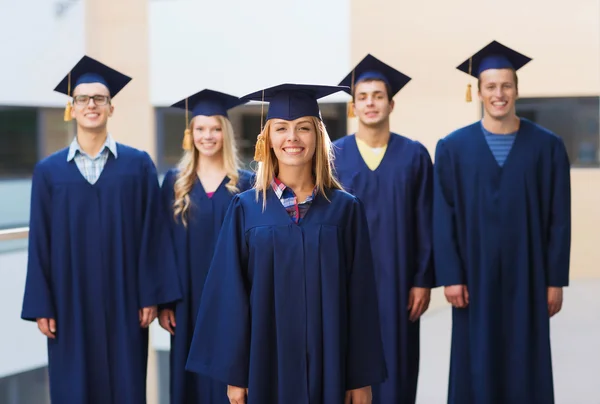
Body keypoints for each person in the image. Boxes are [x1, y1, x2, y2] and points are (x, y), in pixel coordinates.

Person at [185, 83, 387, 404]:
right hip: (265, 364)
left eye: (303, 128)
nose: (292, 137)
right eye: (281, 129)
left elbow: (360, 297)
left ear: (318, 138)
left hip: (329, 363)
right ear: (267, 141)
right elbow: (229, 294)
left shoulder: (345, 209)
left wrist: (360, 377)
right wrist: (236, 374)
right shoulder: (246, 208)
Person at [20, 55, 181, 404]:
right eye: (83, 99)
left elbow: (151, 234)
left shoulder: (137, 165)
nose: (91, 105)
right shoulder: (48, 172)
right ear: (72, 109)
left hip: (126, 299)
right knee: (73, 387)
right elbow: (40, 243)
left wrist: (150, 294)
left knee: (124, 384)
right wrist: (42, 304)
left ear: (111, 108)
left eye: (99, 99)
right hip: (68, 302)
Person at [433, 40, 571, 404]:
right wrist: (451, 274)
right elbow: (442, 215)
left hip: (530, 274)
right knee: (475, 361)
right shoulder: (452, 148)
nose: (499, 94)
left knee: (526, 359)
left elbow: (559, 217)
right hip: (472, 277)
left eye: (506, 85)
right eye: (491, 86)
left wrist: (555, 279)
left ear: (517, 90)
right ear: (477, 91)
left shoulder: (547, 146)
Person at [333, 54, 435, 403]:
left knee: (398, 367)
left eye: (378, 95)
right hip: (344, 282)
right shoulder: (333, 156)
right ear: (353, 106)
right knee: (347, 369)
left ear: (391, 103)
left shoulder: (415, 155)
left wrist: (422, 279)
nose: (370, 103)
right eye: (362, 97)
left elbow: (426, 220)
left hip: (399, 282)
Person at [158, 89, 254, 404]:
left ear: (225, 133)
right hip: (187, 300)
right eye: (200, 129)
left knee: (233, 372)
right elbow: (164, 244)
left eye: (215, 128)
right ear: (191, 135)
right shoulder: (175, 182)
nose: (207, 136)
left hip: (233, 297)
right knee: (190, 382)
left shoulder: (245, 183)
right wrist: (165, 301)